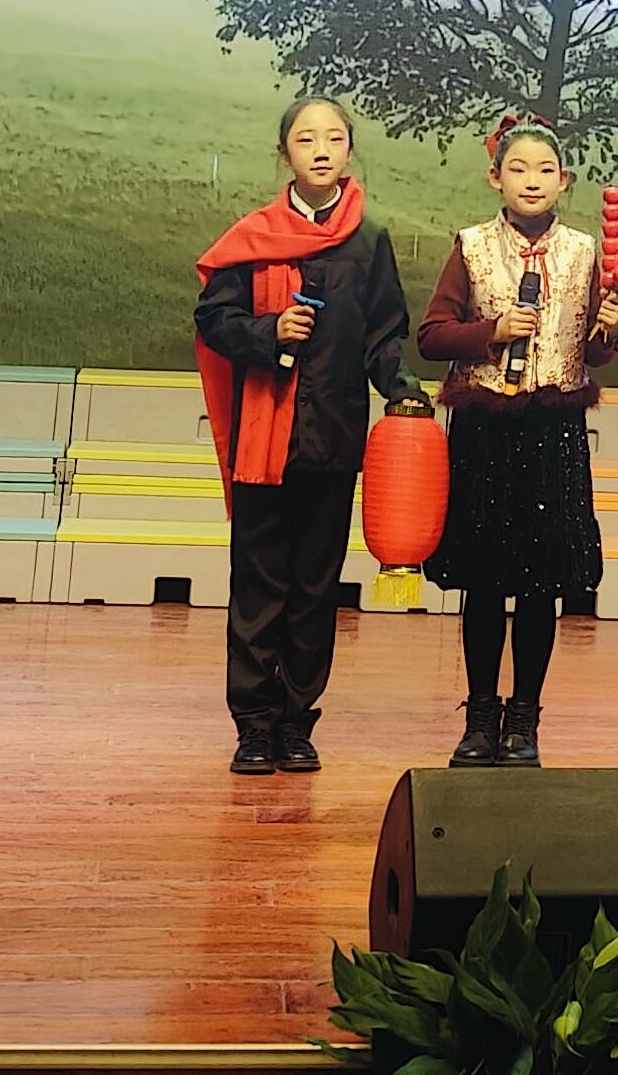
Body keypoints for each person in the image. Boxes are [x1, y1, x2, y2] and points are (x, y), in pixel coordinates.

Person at [194, 93, 413, 775]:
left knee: (317, 588)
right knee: (258, 587)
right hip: (264, 439)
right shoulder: (252, 238)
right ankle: (254, 726)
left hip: (333, 436)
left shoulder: (369, 241)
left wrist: (402, 388)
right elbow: (213, 320)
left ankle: (296, 723)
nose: (321, 150)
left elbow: (384, 335)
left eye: (334, 138)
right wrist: (270, 332)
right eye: (306, 139)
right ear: (284, 153)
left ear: (349, 150)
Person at [414, 114, 618, 766]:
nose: (531, 180)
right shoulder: (472, 246)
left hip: (553, 428)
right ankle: (480, 717)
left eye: (544, 170)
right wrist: (492, 331)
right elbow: (431, 338)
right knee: (483, 582)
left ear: (564, 181)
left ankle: (524, 718)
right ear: (495, 178)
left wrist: (609, 327)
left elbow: (596, 353)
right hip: (485, 430)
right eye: (518, 169)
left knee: (542, 583)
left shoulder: (584, 252)